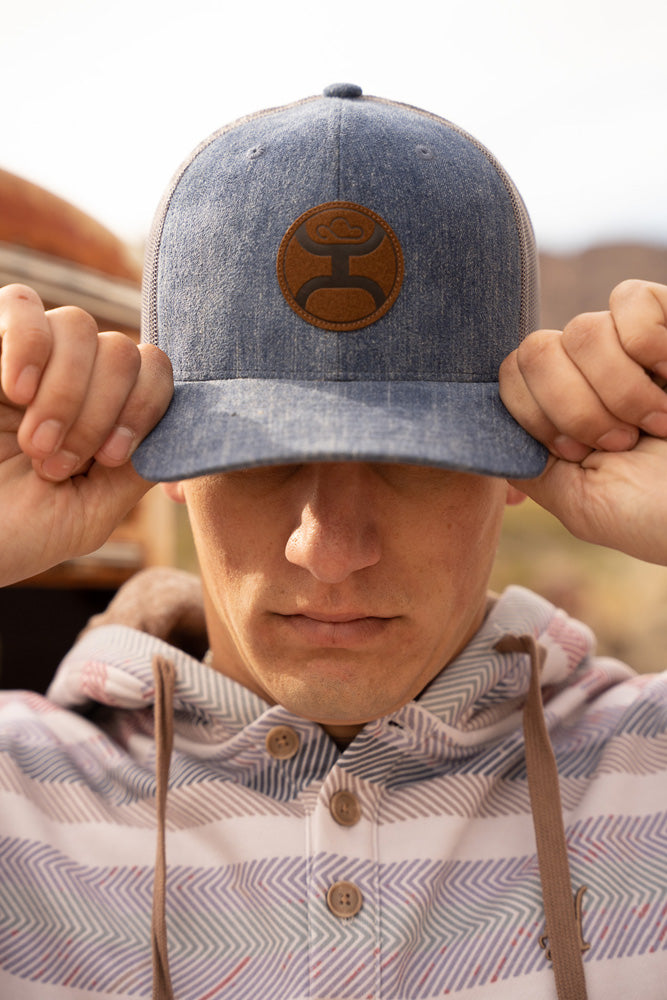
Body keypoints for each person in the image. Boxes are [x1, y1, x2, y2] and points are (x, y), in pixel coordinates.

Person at [0, 83, 666, 1000]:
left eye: (415, 460)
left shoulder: (647, 765)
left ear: (522, 459)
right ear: (166, 460)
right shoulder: (20, 797)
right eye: (257, 460)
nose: (330, 547)